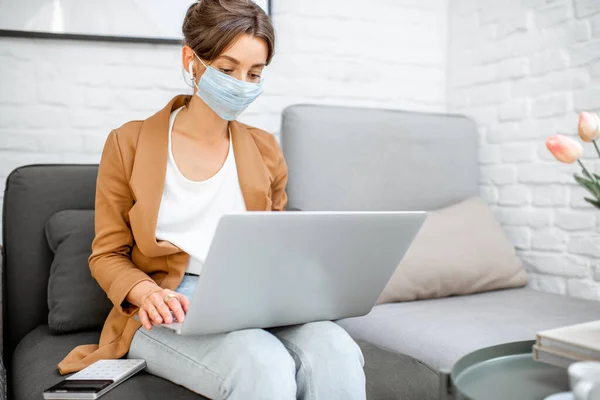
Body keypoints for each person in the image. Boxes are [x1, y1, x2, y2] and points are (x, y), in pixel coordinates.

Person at [58, 1, 366, 398]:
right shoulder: (128, 143)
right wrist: (147, 293)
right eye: (227, 69)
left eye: (254, 74)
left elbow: (278, 243)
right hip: (168, 306)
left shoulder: (265, 148)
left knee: (336, 348)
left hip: (252, 297)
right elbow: (107, 254)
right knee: (261, 362)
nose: (242, 83)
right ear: (191, 60)